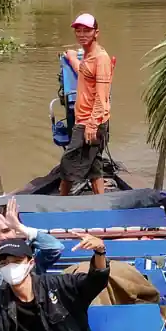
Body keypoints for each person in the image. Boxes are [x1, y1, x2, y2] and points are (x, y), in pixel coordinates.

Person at [0, 196, 64, 297]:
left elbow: (56, 247)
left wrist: (20, 227)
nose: (1, 237)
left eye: (6, 231)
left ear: (16, 231)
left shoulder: (31, 254)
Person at [61, 13, 114, 195]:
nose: (82, 34)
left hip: (90, 123)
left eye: (87, 31)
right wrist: (71, 57)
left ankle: (59, 204)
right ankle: (101, 202)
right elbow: (82, 71)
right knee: (94, 168)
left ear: (96, 33)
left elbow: (102, 96)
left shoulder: (101, 59)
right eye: (79, 31)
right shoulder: (88, 56)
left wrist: (92, 125)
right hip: (84, 120)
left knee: (67, 166)